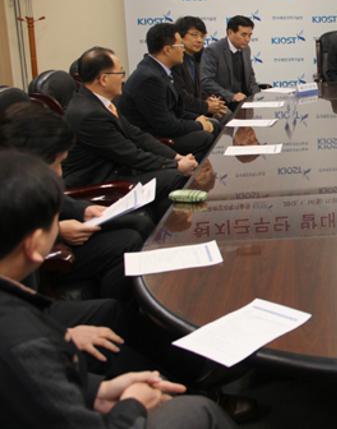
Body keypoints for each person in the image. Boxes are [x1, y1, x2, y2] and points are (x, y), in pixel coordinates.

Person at [0, 150, 236, 429]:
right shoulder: (24, 341)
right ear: (34, 244)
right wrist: (134, 403)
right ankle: (190, 389)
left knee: (108, 311)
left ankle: (187, 373)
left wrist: (97, 392)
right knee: (199, 413)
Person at [0, 104, 146, 299]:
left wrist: (82, 210)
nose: (60, 173)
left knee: (134, 225)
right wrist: (59, 231)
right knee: (127, 243)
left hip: (49, 234)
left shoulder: (15, 170)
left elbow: (54, 198)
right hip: (32, 270)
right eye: (57, 164)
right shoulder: (11, 184)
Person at [62, 47, 195, 221]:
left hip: (117, 168)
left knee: (174, 174)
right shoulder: (90, 114)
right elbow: (131, 154)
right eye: (121, 73)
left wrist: (176, 156)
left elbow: (136, 135)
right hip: (98, 181)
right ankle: (165, 235)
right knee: (174, 177)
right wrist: (175, 166)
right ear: (103, 79)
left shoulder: (101, 103)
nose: (124, 79)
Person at [119, 23, 218, 162]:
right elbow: (165, 125)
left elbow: (176, 108)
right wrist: (199, 125)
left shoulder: (160, 70)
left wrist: (197, 118)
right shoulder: (149, 78)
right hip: (153, 138)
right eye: (180, 46)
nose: (183, 51)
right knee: (205, 136)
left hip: (166, 127)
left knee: (213, 124)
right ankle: (192, 175)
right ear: (167, 50)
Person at [173, 16, 230, 120]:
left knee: (225, 113)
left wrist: (209, 100)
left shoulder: (198, 57)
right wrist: (206, 106)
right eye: (194, 35)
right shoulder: (175, 61)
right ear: (179, 36)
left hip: (197, 107)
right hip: (183, 114)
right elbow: (181, 96)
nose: (200, 40)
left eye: (202, 36)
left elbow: (198, 90)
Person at [200, 15, 260, 107]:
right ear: (230, 32)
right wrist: (231, 96)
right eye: (243, 35)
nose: (248, 39)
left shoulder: (246, 49)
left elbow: (250, 78)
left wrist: (258, 96)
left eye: (250, 35)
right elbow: (206, 81)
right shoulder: (213, 50)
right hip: (224, 102)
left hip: (245, 101)